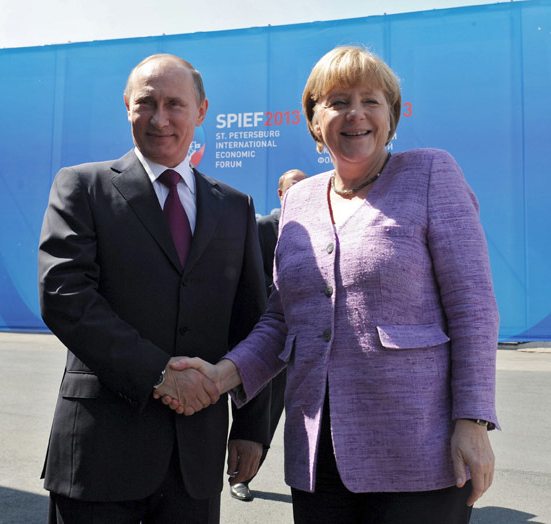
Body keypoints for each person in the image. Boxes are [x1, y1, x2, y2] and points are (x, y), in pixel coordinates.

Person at [167, 45, 500, 524]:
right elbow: (284, 318)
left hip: (417, 450)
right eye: (338, 101)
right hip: (317, 455)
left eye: (371, 100)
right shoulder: (300, 199)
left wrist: (473, 422)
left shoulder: (430, 173)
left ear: (392, 115)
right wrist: (221, 377)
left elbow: (473, 306)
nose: (356, 114)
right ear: (313, 118)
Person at [37, 53, 270, 524]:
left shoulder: (235, 207)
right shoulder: (82, 187)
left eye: (175, 104)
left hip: (195, 459)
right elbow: (66, 297)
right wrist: (159, 374)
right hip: (100, 452)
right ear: (127, 105)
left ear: (201, 111)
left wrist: (251, 428)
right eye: (146, 103)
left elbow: (253, 321)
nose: (160, 119)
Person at [230, 168, 307, 502]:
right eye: (292, 188)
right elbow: (251, 280)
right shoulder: (263, 228)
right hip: (270, 338)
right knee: (260, 413)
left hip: (308, 342)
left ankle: (313, 486)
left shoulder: (320, 231)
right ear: (280, 193)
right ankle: (241, 477)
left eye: (305, 188)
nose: (299, 193)